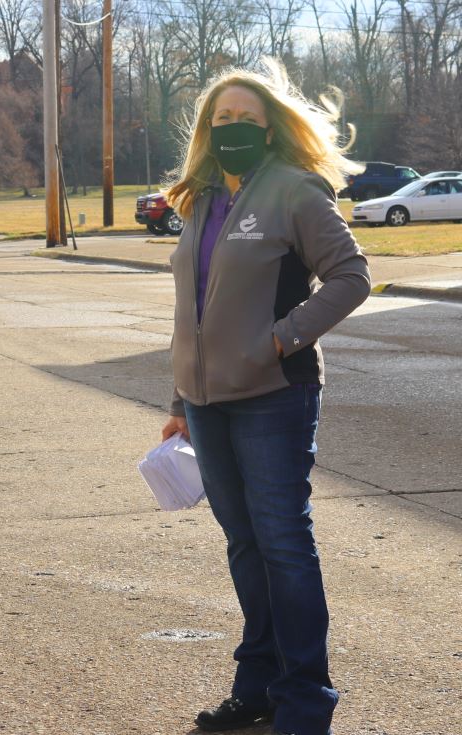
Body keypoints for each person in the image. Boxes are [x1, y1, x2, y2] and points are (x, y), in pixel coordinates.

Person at [160, 59, 371, 735]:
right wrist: (176, 398)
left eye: (248, 118)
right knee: (245, 547)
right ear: (207, 128)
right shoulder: (199, 198)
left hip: (273, 396)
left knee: (282, 544)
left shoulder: (295, 191)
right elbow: (194, 307)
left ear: (271, 126)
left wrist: (279, 340)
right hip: (204, 402)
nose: (235, 128)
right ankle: (258, 687)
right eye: (224, 118)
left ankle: (306, 701)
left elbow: (351, 276)